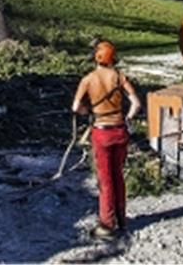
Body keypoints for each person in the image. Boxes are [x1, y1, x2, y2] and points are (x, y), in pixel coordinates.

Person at [71, 40, 141, 239]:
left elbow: (76, 107)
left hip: (101, 131)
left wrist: (89, 112)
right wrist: (127, 118)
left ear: (96, 57)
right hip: (120, 131)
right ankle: (121, 219)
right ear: (113, 58)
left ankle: (106, 225)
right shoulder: (119, 77)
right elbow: (136, 104)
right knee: (118, 175)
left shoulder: (88, 79)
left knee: (105, 179)